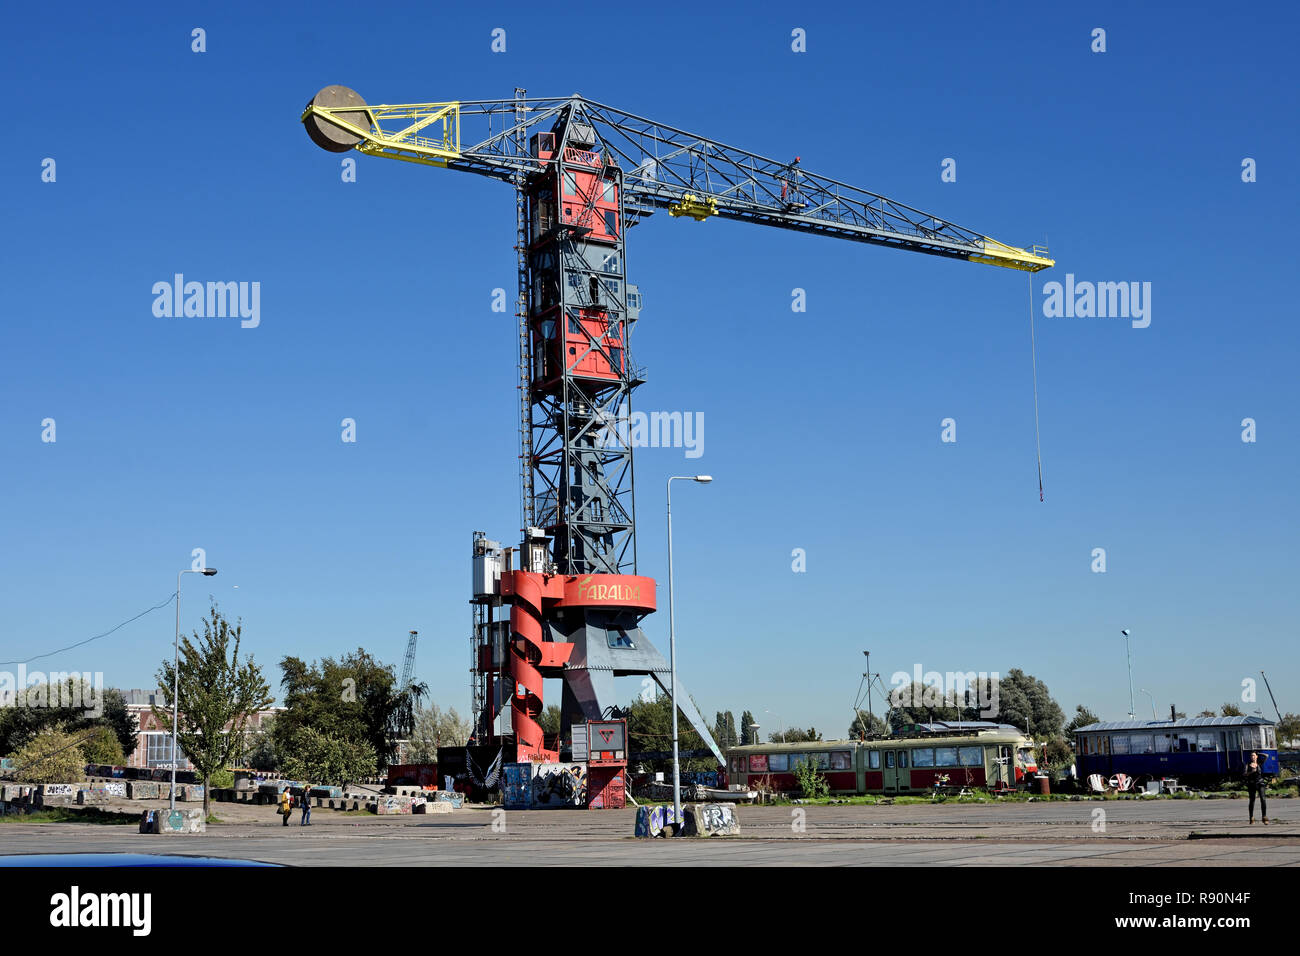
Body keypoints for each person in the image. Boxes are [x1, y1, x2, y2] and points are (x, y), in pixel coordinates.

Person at [1244, 752, 1269, 825]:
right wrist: (1251, 772)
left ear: (1256, 757)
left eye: (1254, 755)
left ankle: (1264, 817)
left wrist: (1258, 753)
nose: (1252, 757)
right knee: (1252, 801)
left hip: (1260, 783)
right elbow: (1244, 774)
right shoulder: (1247, 765)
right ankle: (1251, 817)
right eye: (1251, 756)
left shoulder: (1259, 763)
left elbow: (1266, 756)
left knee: (1263, 799)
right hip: (1251, 784)